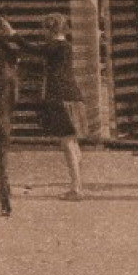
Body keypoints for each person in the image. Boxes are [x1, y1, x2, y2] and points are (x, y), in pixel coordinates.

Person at [22, 13, 86, 200]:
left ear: (50, 29)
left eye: (44, 29)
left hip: (62, 99)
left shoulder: (57, 47)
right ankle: (77, 185)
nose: (43, 33)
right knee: (72, 143)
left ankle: (76, 189)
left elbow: (31, 49)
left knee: (67, 143)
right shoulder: (65, 46)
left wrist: (13, 35)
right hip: (72, 97)